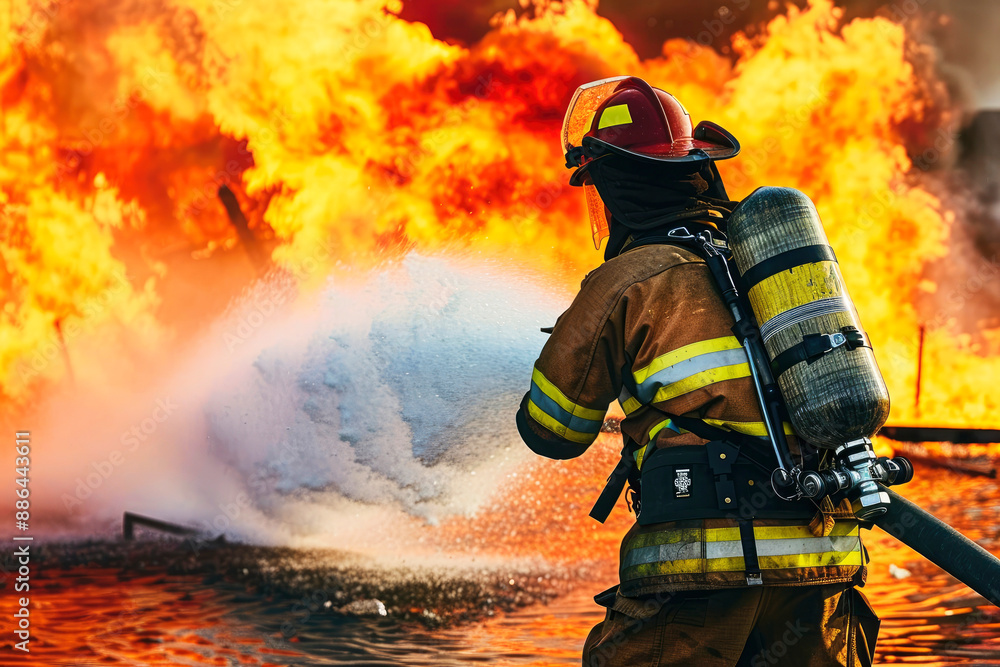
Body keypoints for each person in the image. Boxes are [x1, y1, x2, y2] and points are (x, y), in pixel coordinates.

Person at [515, 76, 880, 666]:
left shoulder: (627, 280)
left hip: (699, 571)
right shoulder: (768, 270)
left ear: (616, 186)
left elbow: (552, 432)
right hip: (824, 563)